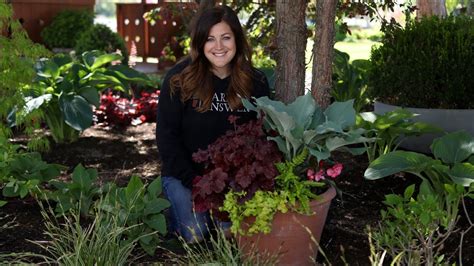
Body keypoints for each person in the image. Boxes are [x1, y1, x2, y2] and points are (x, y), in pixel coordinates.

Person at [156, 5, 270, 243]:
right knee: (196, 234)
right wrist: (194, 182)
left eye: (225, 38)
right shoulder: (178, 80)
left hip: (232, 180)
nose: (219, 47)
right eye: (210, 39)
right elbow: (167, 139)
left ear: (237, 40)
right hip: (185, 176)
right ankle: (175, 210)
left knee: (232, 233)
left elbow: (262, 136)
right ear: (199, 43)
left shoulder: (254, 81)